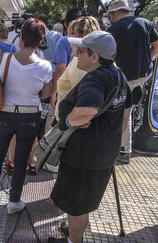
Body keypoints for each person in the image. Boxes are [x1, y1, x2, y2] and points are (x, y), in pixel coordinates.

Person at [48, 31, 132, 243]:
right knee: (82, 205)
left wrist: (67, 121)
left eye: (82, 51)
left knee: (76, 208)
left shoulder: (95, 79)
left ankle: (74, 241)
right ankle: (74, 235)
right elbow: (125, 114)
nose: (76, 55)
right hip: (102, 153)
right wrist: (110, 143)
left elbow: (87, 111)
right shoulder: (119, 76)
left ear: (95, 57)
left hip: (82, 156)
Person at [0, 19, 53, 214]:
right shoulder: (45, 66)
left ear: (21, 37)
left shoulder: (5, 58)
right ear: (40, 40)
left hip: (5, 112)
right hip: (30, 116)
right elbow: (46, 94)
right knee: (21, 159)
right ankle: (14, 201)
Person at [107, 0, 158, 164]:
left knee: (122, 112)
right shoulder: (146, 23)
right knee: (127, 110)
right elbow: (156, 45)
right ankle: (124, 149)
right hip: (143, 75)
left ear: (114, 13)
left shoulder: (112, 30)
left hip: (123, 79)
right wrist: (148, 60)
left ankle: (120, 149)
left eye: (110, 15)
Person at [48, 7, 84, 131]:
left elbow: (60, 68)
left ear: (66, 23)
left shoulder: (64, 41)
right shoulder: (91, 41)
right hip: (82, 92)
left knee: (54, 127)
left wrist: (53, 93)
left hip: (66, 89)